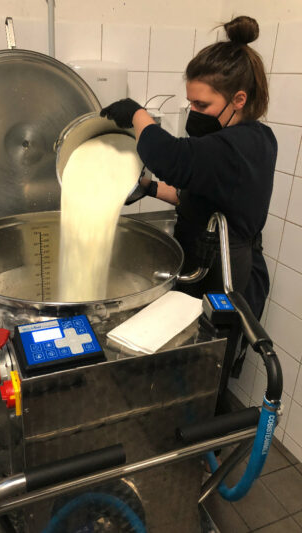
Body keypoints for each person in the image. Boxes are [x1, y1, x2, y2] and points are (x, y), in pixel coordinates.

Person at [101, 15, 277, 411]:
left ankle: (199, 442)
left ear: (239, 100)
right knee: (186, 358)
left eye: (202, 104)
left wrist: (137, 114)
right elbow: (196, 198)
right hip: (206, 254)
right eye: (190, 102)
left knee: (206, 364)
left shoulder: (243, 143)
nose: (193, 111)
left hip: (226, 270)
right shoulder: (232, 142)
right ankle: (179, 417)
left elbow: (172, 158)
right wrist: (148, 188)